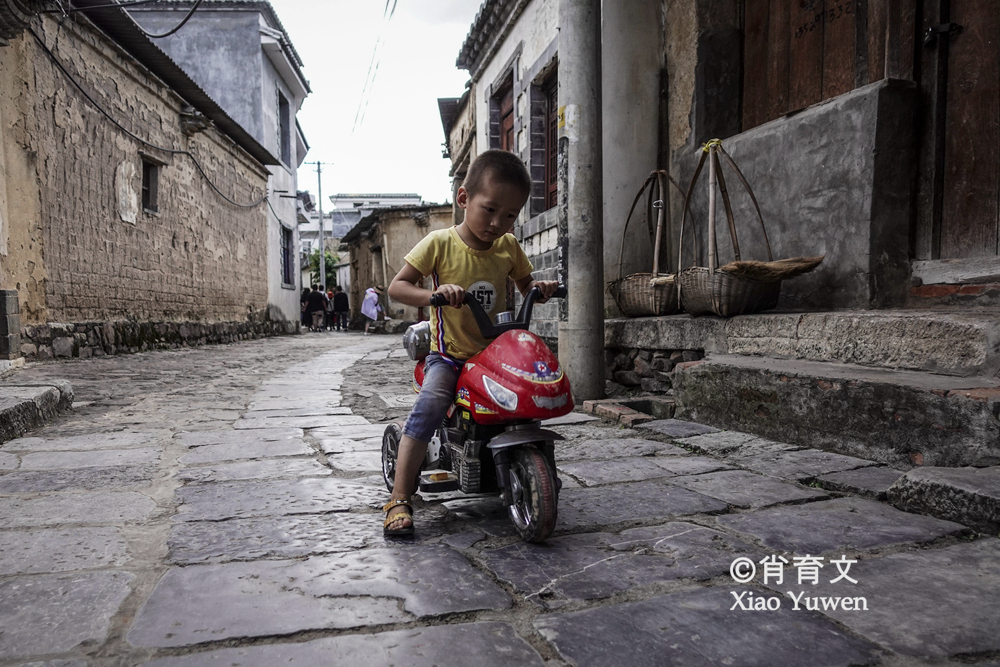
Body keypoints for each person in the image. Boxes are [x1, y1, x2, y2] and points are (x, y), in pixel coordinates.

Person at [381, 149, 558, 537]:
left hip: (493, 353)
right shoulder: (439, 243)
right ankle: (398, 498)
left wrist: (538, 288)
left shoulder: (508, 247)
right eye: (490, 210)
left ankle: (513, 465)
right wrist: (435, 295)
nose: (498, 223)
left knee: (523, 405)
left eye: (510, 215)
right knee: (428, 409)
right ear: (464, 199)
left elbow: (525, 285)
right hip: (450, 357)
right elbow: (398, 287)